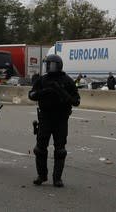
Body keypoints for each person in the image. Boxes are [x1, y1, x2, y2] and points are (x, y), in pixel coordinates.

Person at [29, 54, 80, 187]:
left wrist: (61, 91)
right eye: (47, 64)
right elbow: (32, 94)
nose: (48, 67)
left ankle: (57, 178)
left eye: (51, 64)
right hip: (45, 118)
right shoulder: (42, 80)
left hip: (61, 119)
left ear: (58, 65)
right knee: (40, 148)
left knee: (60, 150)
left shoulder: (67, 80)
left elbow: (76, 101)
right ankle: (42, 175)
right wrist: (44, 92)